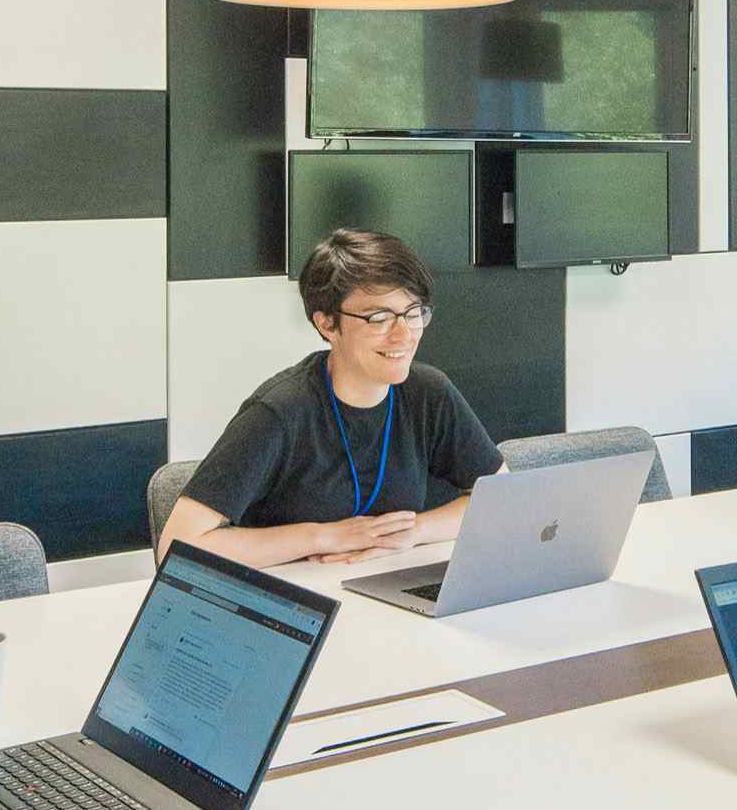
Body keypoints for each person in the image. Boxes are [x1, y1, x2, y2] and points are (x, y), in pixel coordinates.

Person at [164, 227, 504, 568]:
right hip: (296, 601)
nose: (404, 334)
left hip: (387, 588)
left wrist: (414, 531)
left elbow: (501, 496)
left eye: (413, 313)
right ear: (327, 324)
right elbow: (177, 545)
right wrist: (321, 535)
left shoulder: (429, 393)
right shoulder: (279, 412)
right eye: (379, 317)